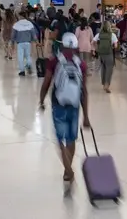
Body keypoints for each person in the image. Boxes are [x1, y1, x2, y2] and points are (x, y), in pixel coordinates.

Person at [38, 32, 90, 187]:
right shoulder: (81, 64)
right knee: (71, 139)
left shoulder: (54, 61)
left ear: (62, 45)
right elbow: (84, 91)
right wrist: (86, 116)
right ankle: (68, 170)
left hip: (58, 104)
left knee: (60, 139)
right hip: (74, 105)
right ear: (75, 47)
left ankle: (68, 170)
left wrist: (41, 100)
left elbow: (46, 83)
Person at [12, 11, 36, 76]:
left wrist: (12, 42)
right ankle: (29, 65)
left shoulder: (16, 24)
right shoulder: (30, 23)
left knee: (20, 57)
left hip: (20, 43)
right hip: (28, 42)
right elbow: (33, 34)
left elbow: (13, 35)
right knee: (28, 56)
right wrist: (36, 41)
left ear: (20, 16)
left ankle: (22, 71)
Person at [96, 21, 117, 93]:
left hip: (101, 54)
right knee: (109, 69)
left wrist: (97, 48)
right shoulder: (112, 35)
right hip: (109, 53)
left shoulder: (99, 34)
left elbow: (93, 42)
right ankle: (107, 85)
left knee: (103, 68)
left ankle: (103, 83)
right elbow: (116, 45)